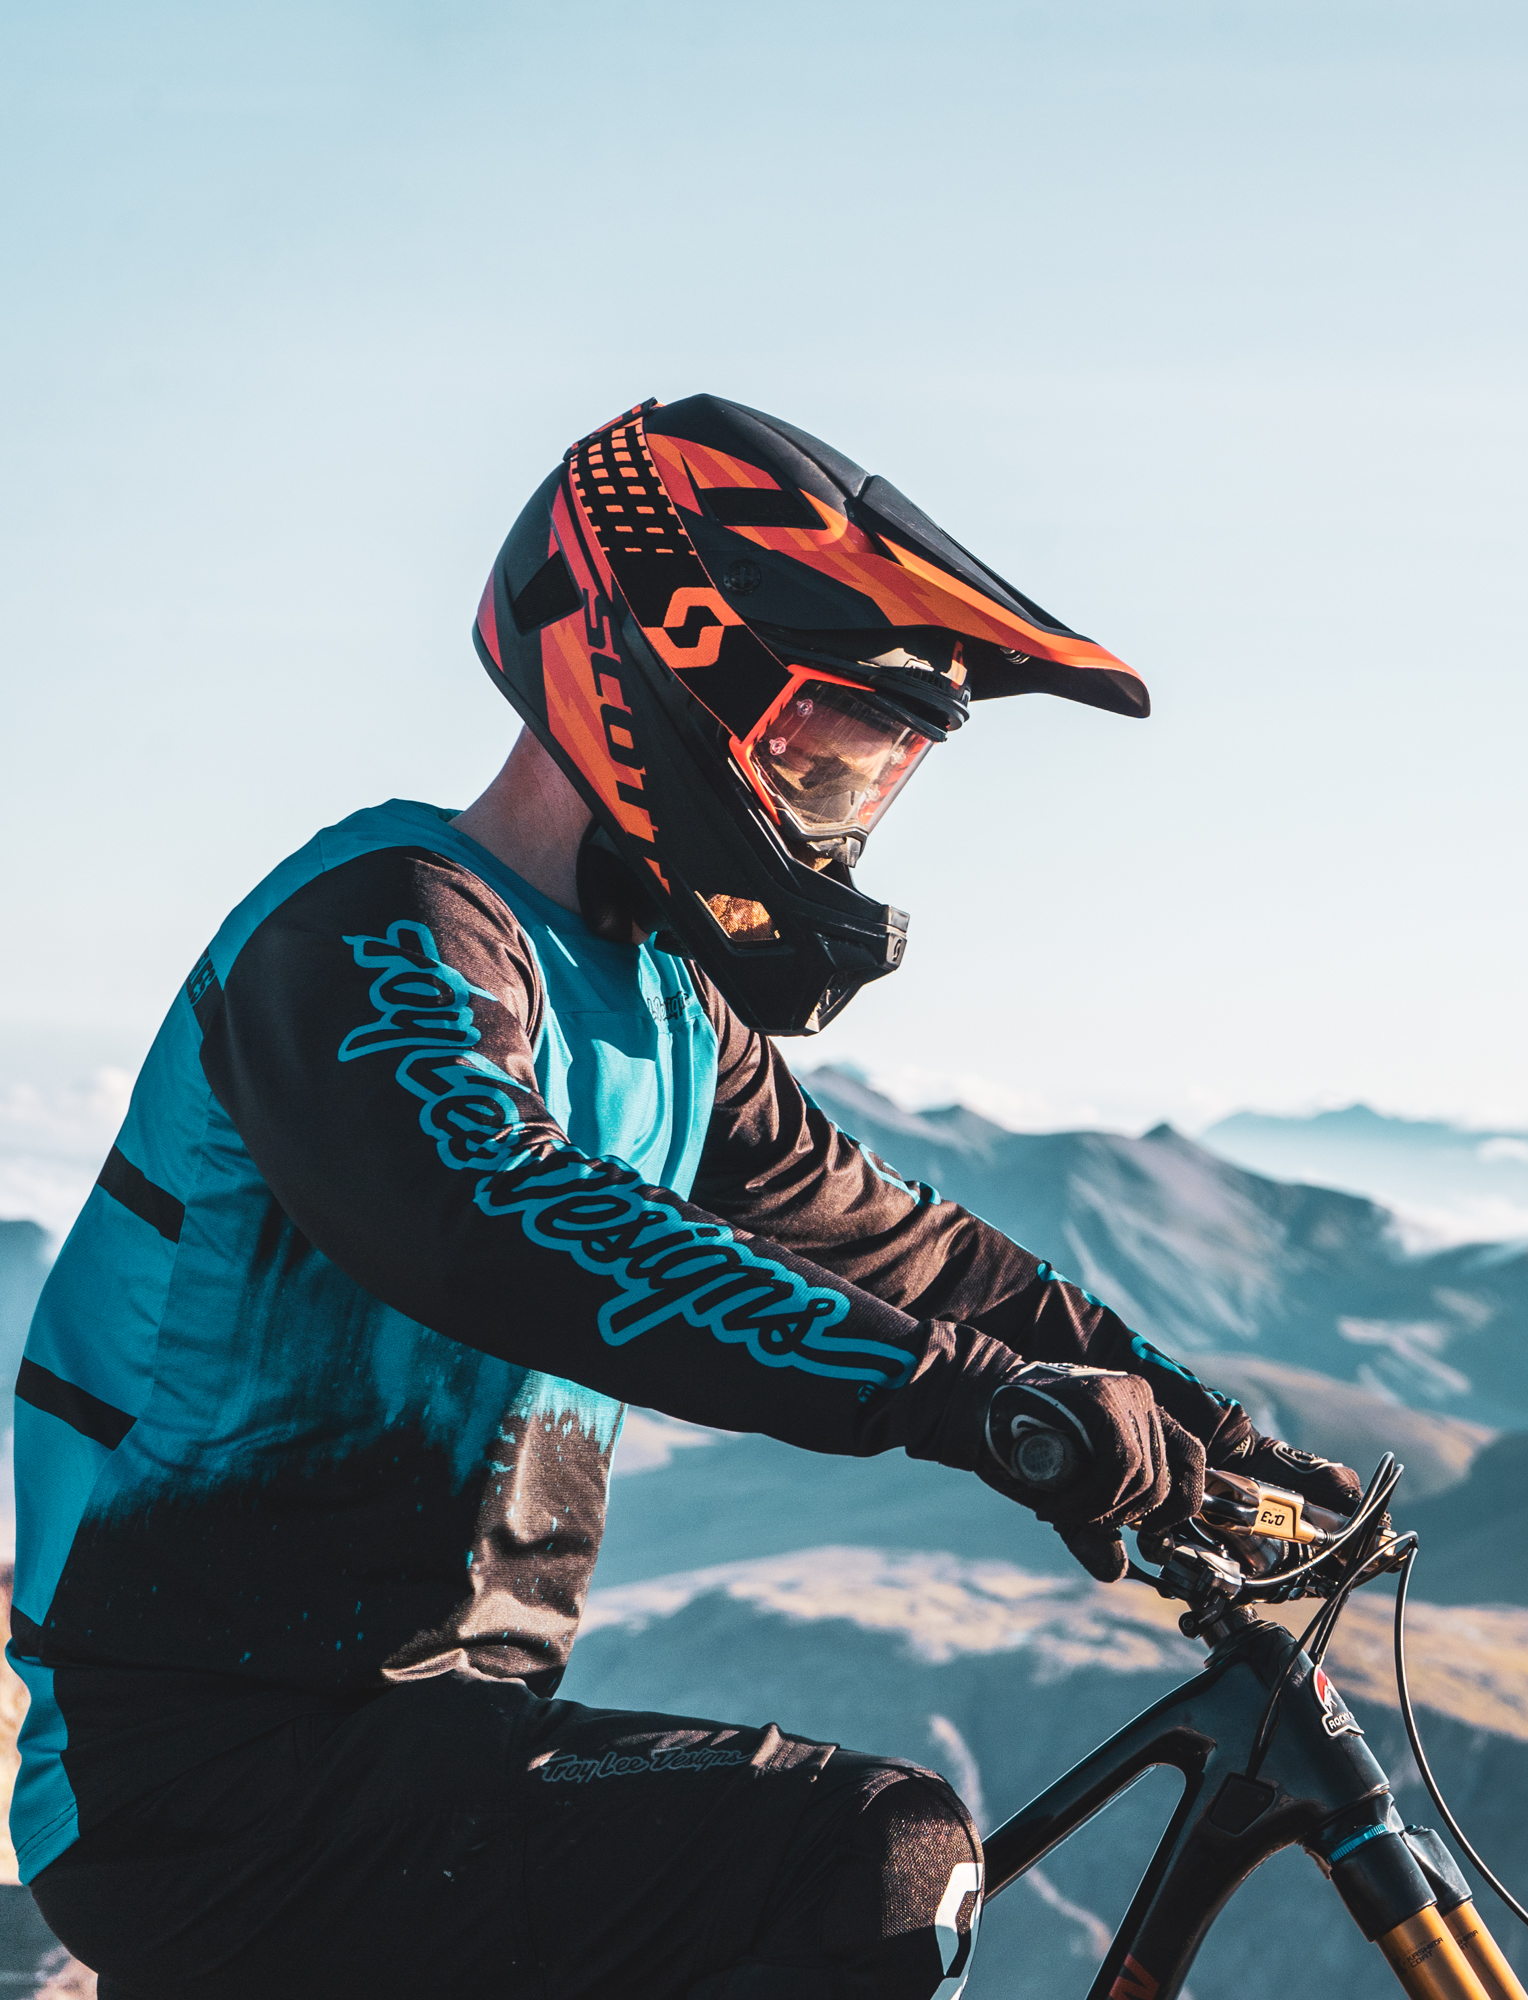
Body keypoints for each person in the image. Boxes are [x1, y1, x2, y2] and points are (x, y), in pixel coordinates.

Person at [6, 396, 1361, 1998]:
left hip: (431, 1748)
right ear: (663, 661)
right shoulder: (376, 933)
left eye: (875, 780)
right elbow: (498, 1215)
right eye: (819, 752)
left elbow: (898, 1243)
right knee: (875, 1861)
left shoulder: (659, 1008)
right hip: (206, 1783)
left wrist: (1186, 1412)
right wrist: (975, 1405)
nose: (833, 821)